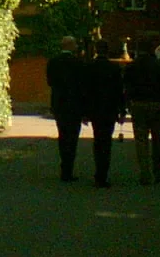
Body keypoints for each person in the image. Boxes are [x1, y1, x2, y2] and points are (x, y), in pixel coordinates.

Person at [85, 39, 125, 188]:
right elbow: (119, 90)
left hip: (95, 109)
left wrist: (85, 111)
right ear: (107, 51)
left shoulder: (90, 67)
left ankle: (98, 171)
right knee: (106, 141)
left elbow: (85, 90)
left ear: (96, 50)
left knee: (97, 139)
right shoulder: (113, 68)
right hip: (110, 109)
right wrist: (122, 110)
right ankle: (103, 174)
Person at [124, 49, 160, 185]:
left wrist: (127, 104)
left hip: (138, 104)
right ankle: (159, 171)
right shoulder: (159, 66)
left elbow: (126, 86)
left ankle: (145, 173)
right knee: (158, 137)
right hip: (156, 103)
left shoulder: (131, 66)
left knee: (141, 139)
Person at [46, 36, 84, 182]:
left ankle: (64, 167)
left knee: (62, 135)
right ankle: (69, 168)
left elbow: (50, 81)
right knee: (72, 138)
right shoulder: (78, 63)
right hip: (74, 105)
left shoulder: (53, 62)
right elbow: (82, 85)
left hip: (59, 104)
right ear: (70, 46)